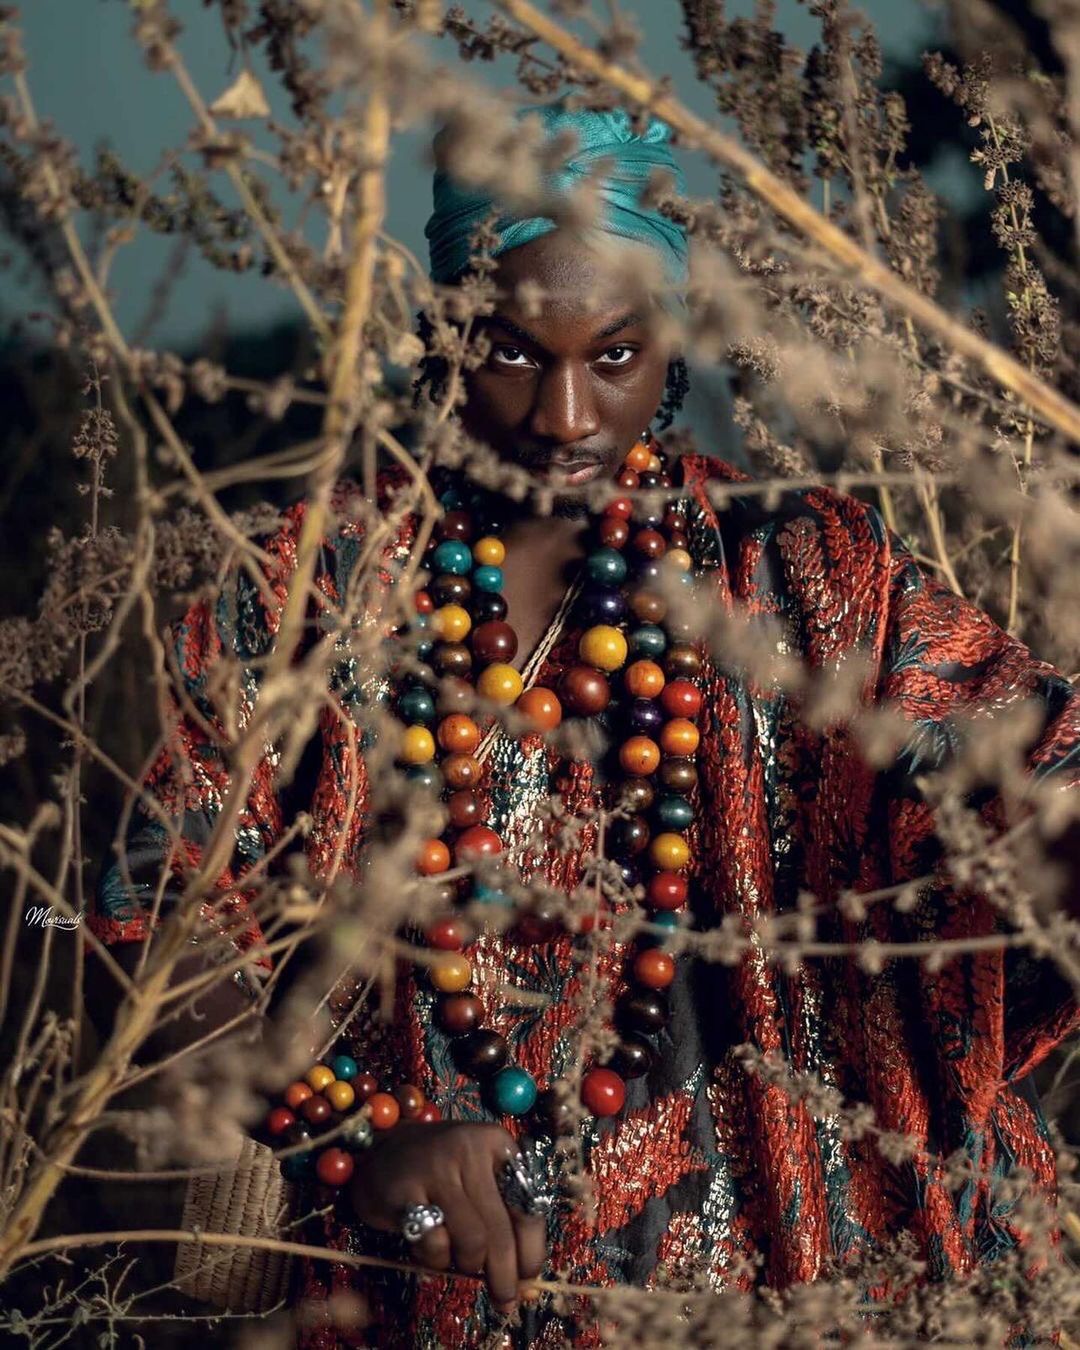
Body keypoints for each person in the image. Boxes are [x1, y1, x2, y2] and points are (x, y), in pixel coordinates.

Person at [89, 105, 1080, 1349]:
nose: (563, 417)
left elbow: (1031, 764)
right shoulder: (309, 595)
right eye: (511, 353)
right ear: (443, 334)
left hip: (821, 1281)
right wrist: (354, 1134)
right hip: (445, 1293)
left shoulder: (804, 570)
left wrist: (1041, 849)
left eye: (615, 356)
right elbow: (142, 919)